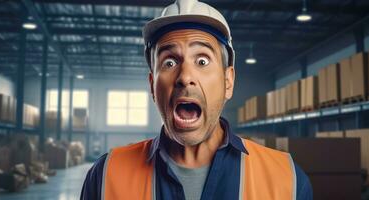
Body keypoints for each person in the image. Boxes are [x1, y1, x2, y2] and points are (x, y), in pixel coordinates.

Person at [80, 0, 313, 199]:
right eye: (169, 62)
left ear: (227, 81)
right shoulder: (105, 176)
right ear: (152, 85)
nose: (185, 77)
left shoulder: (287, 181)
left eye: (202, 61)